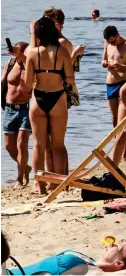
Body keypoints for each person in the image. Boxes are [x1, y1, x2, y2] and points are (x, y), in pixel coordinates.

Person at [22, 17, 74, 194]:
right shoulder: (62, 52)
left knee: (38, 145)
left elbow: (27, 84)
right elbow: (70, 79)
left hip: (38, 98)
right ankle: (57, 185)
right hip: (57, 98)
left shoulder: (32, 53)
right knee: (58, 145)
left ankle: (40, 185)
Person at [5, 241, 126, 275]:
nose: (111, 244)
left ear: (119, 263)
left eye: (116, 247)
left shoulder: (93, 272)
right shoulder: (88, 260)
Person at [3, 42, 32, 188]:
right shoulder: (10, 63)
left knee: (22, 144)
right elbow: (3, 82)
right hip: (9, 109)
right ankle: (25, 167)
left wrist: (22, 56)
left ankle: (20, 179)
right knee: (9, 147)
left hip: (25, 110)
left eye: (19, 52)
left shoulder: (30, 65)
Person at [102, 26, 126, 128]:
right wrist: (105, 63)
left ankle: (125, 141)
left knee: (123, 118)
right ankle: (116, 142)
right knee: (114, 118)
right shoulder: (107, 43)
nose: (112, 44)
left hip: (122, 83)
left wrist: (122, 66)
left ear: (117, 35)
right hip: (109, 84)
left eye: (113, 42)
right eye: (110, 42)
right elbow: (103, 60)